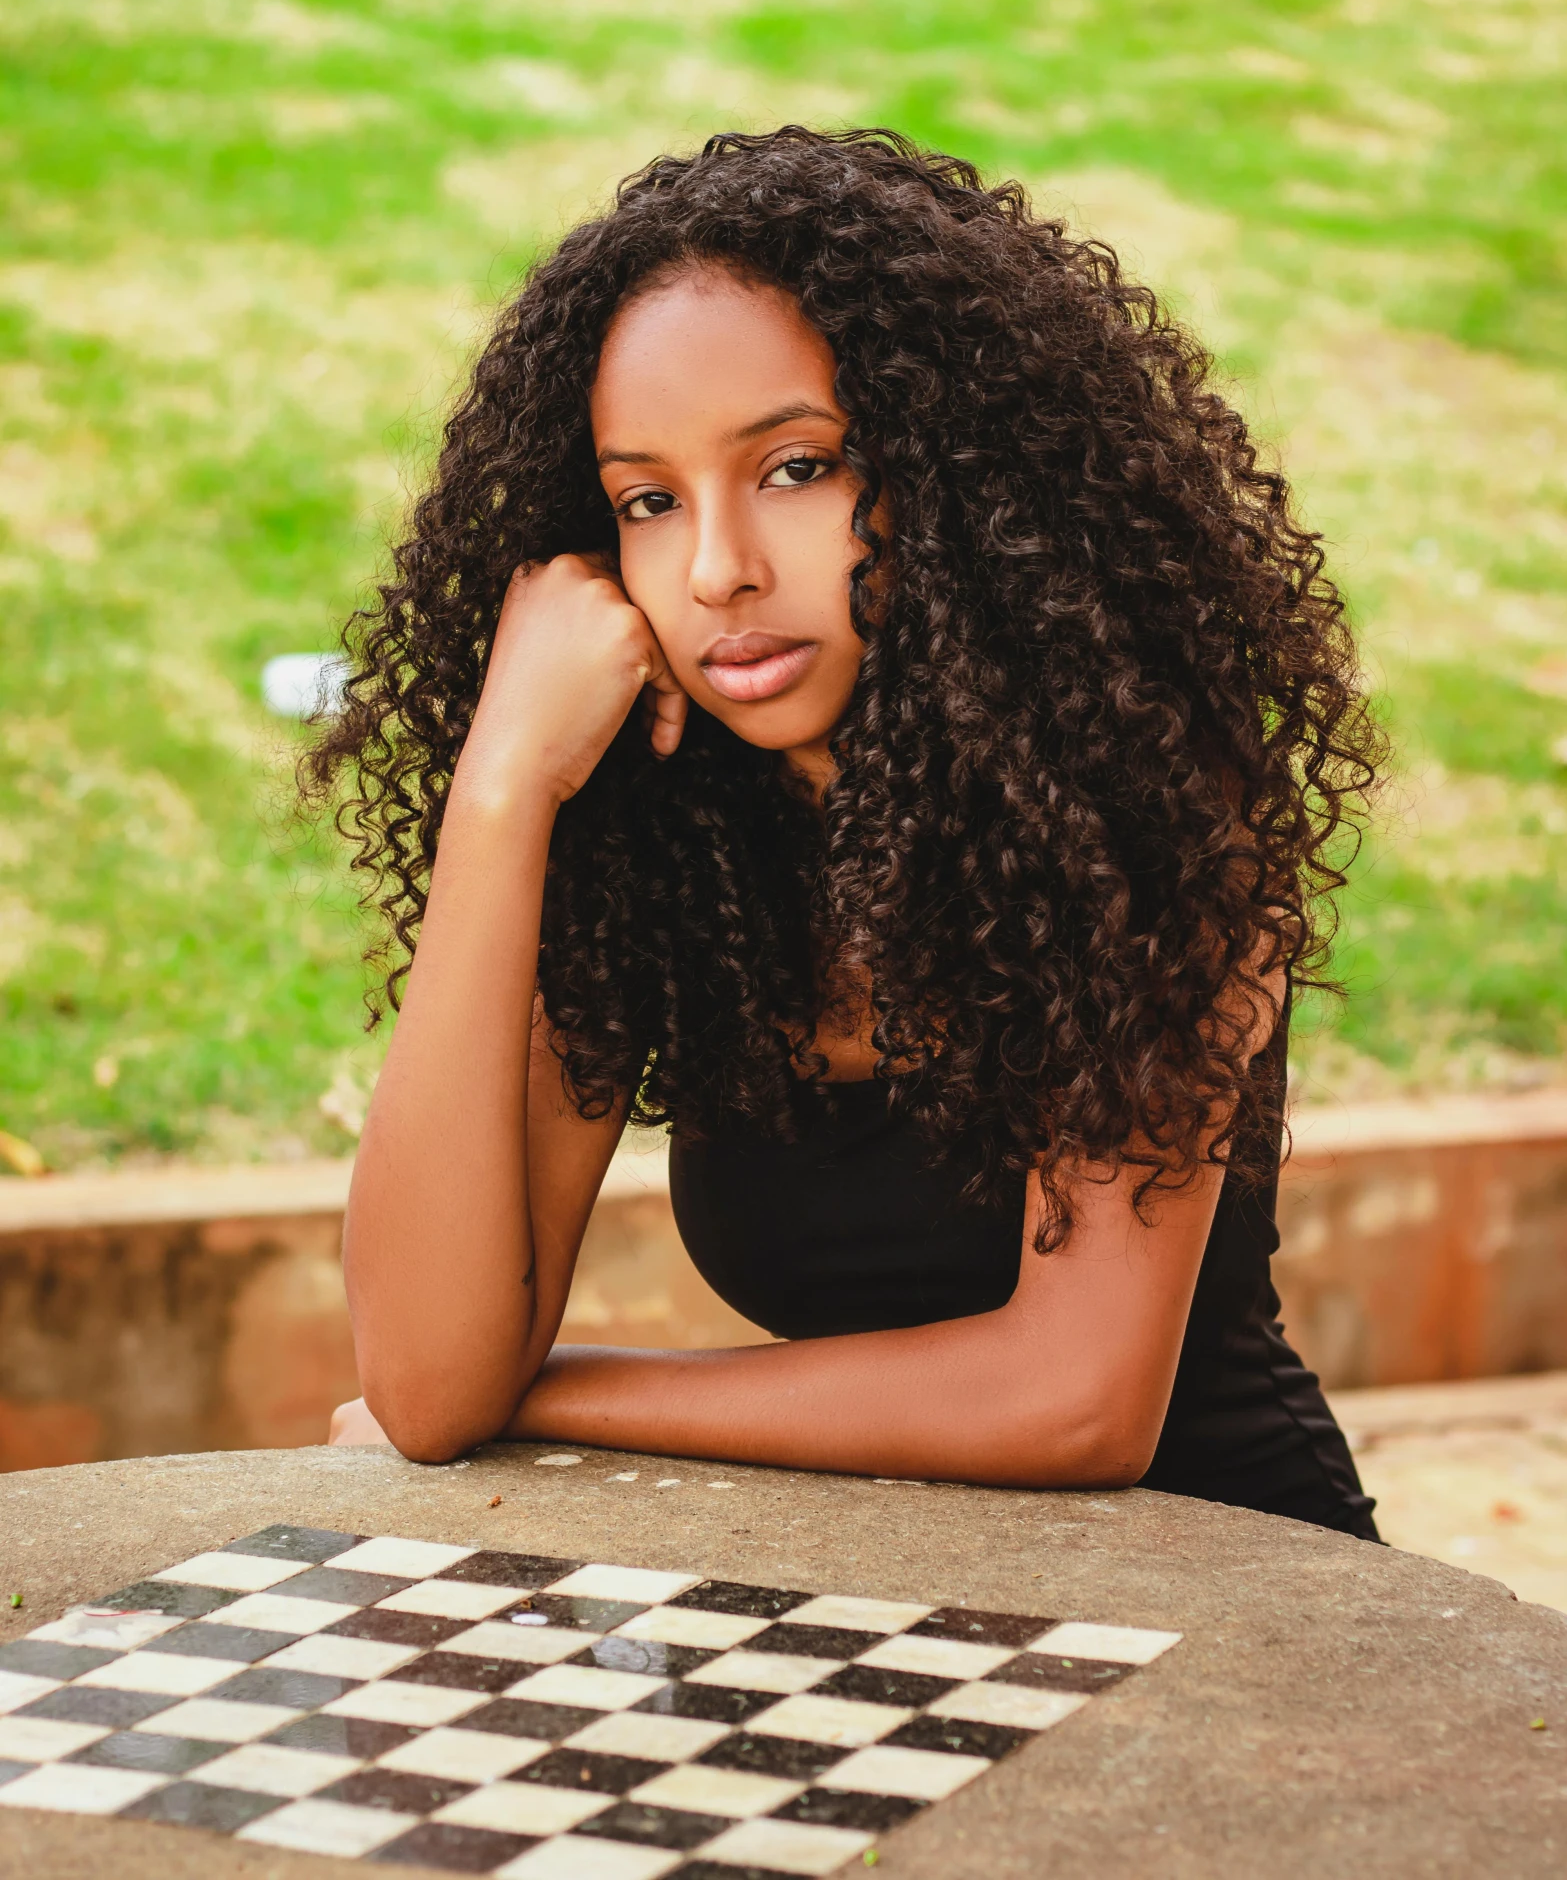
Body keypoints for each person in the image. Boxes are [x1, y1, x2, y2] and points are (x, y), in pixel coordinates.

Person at [311, 127, 1382, 1537]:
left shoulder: (1143, 807)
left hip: (1228, 1591)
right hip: (878, 1604)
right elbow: (428, 1385)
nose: (717, 570)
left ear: (958, 476)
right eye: (648, 499)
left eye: (797, 467)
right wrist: (501, 794)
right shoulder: (654, 833)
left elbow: (1074, 1399)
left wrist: (560, 1393)